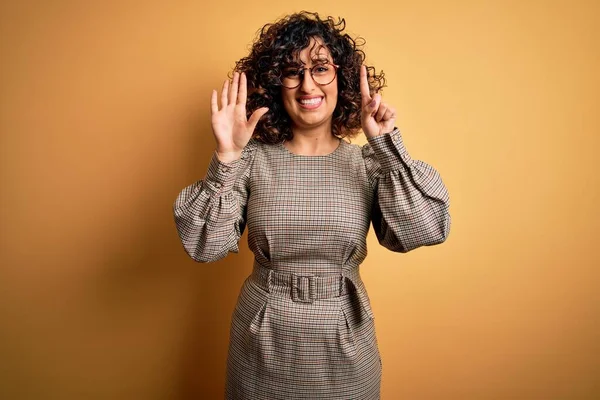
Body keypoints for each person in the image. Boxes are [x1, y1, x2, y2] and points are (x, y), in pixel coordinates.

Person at [173, 11, 450, 400]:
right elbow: (204, 245)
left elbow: (426, 229)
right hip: (262, 340)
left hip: (345, 340)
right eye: (292, 71)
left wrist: (387, 146)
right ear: (275, 83)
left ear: (344, 78)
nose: (307, 84)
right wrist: (227, 156)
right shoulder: (250, 159)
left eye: (320, 68)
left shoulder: (369, 163)